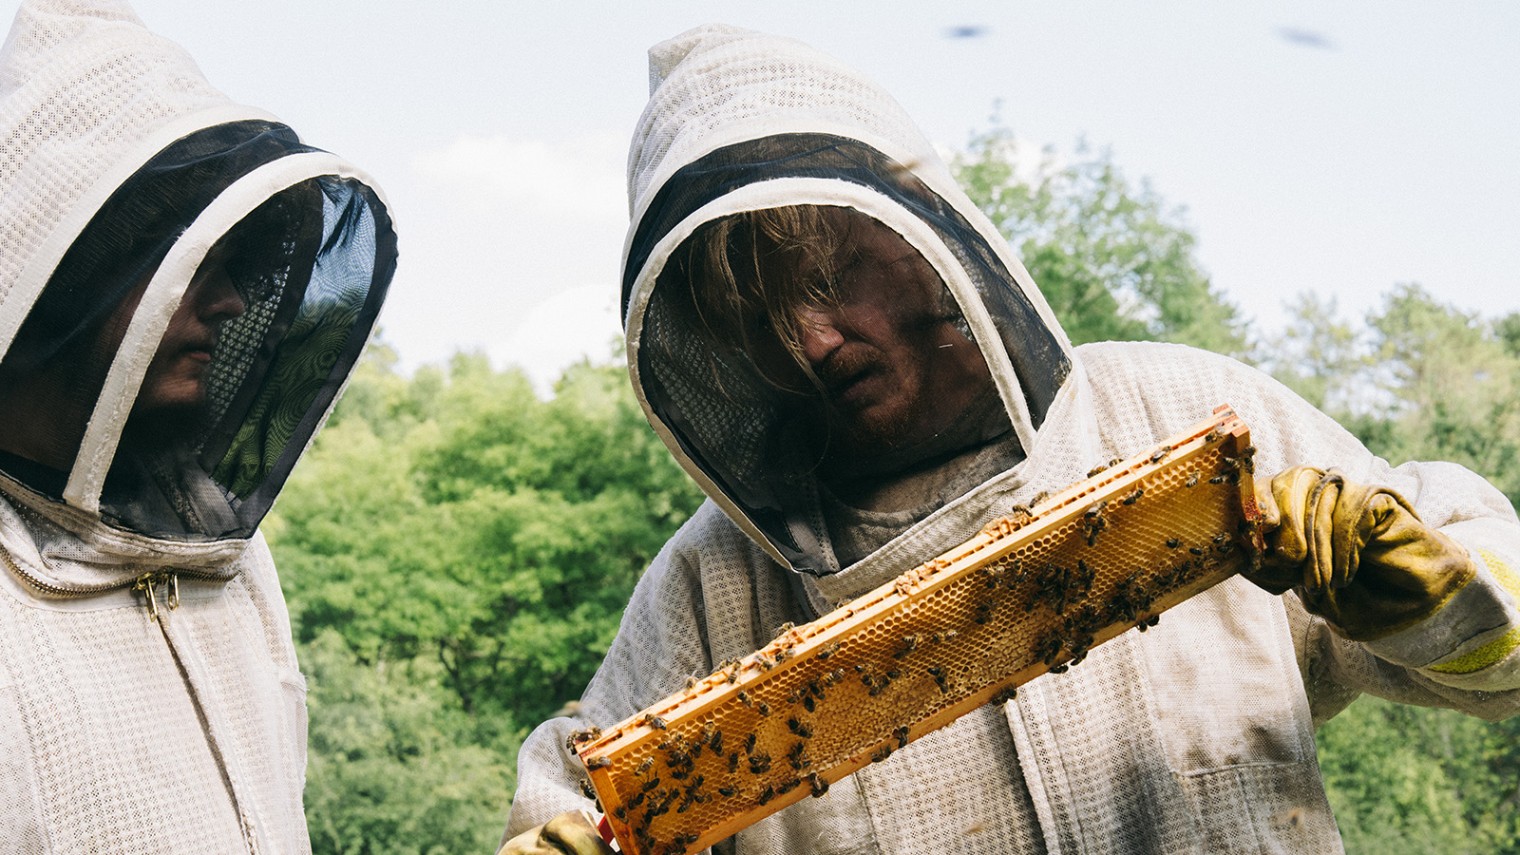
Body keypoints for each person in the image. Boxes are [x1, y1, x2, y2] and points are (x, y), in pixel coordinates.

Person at [503, 24, 1520, 854]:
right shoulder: (710, 589)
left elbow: (1505, 665)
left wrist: (1435, 587)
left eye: (825, 278)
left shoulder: (1174, 408)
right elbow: (574, 793)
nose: (807, 340)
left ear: (918, 237)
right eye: (756, 318)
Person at [0, 0, 396, 850]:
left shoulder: (221, 545)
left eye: (239, 267)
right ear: (78, 270)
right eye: (194, 261)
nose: (232, 303)